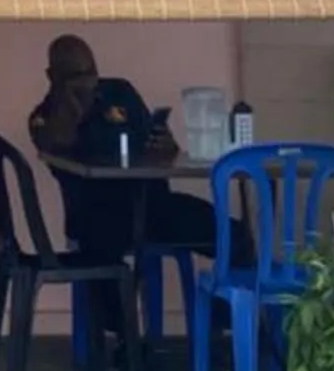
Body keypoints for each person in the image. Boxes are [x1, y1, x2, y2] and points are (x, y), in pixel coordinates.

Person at [28, 35, 216, 262]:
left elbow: (164, 150)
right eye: (77, 77)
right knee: (105, 266)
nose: (89, 82)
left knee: (232, 234)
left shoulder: (119, 91)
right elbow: (58, 143)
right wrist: (72, 103)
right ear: (53, 77)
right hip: (96, 216)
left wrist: (166, 146)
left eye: (92, 72)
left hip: (152, 206)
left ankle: (237, 296)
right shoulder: (43, 119)